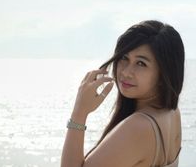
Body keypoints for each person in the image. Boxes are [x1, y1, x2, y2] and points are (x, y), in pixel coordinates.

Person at [61, 20, 184, 167]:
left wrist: (79, 113)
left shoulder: (138, 127)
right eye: (124, 58)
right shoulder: (172, 112)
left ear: (164, 73)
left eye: (141, 63)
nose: (126, 72)